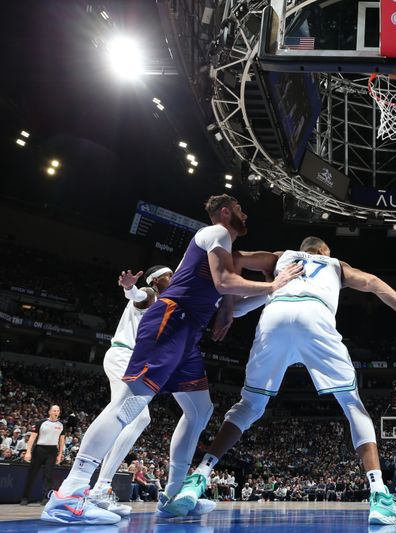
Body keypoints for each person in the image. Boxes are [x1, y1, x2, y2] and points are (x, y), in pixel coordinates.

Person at [41, 194, 302, 525]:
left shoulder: (220, 253)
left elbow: (232, 301)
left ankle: (173, 496)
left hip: (187, 332)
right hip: (170, 320)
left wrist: (273, 292)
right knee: (130, 405)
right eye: (239, 208)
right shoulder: (215, 233)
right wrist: (273, 283)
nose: (245, 213)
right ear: (224, 212)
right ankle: (70, 493)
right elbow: (225, 283)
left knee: (200, 410)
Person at [166, 236, 396, 525]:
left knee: (249, 405)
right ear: (324, 251)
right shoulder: (335, 264)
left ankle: (198, 478)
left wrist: (227, 305)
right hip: (315, 315)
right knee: (351, 404)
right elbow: (374, 283)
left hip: (276, 312)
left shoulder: (280, 255)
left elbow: (232, 260)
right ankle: (379, 497)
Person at [88, 265, 173, 517]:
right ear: (157, 280)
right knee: (136, 416)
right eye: (169, 276)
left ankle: (100, 488)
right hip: (122, 355)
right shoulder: (150, 293)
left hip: (132, 361)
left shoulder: (165, 303)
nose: (173, 279)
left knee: (139, 418)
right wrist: (129, 288)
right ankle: (94, 488)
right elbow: (138, 297)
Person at [21, 405, 65, 505]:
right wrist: (28, 452)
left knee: (48, 475)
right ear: (49, 412)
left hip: (52, 450)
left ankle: (45, 498)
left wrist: (60, 454)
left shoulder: (61, 425)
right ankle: (25, 497)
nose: (56, 412)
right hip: (39, 449)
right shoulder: (41, 422)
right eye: (54, 410)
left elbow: (62, 440)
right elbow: (32, 438)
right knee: (32, 474)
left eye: (58, 410)